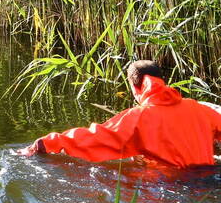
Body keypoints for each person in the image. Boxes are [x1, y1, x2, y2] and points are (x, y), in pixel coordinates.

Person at [18, 60, 221, 168]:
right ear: (163, 80)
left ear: (134, 87)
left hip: (168, 187)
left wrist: (45, 143)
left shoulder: (138, 117)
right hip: (206, 182)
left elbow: (94, 136)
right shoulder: (199, 108)